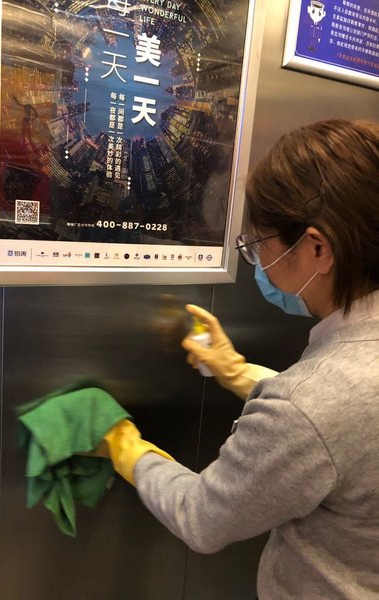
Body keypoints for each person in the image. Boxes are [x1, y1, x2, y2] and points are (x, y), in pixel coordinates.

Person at [92, 119, 379, 599]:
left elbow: (202, 517)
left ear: (317, 248)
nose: (259, 262)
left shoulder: (308, 403)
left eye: (260, 244)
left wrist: (125, 447)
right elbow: (346, 423)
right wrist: (239, 373)